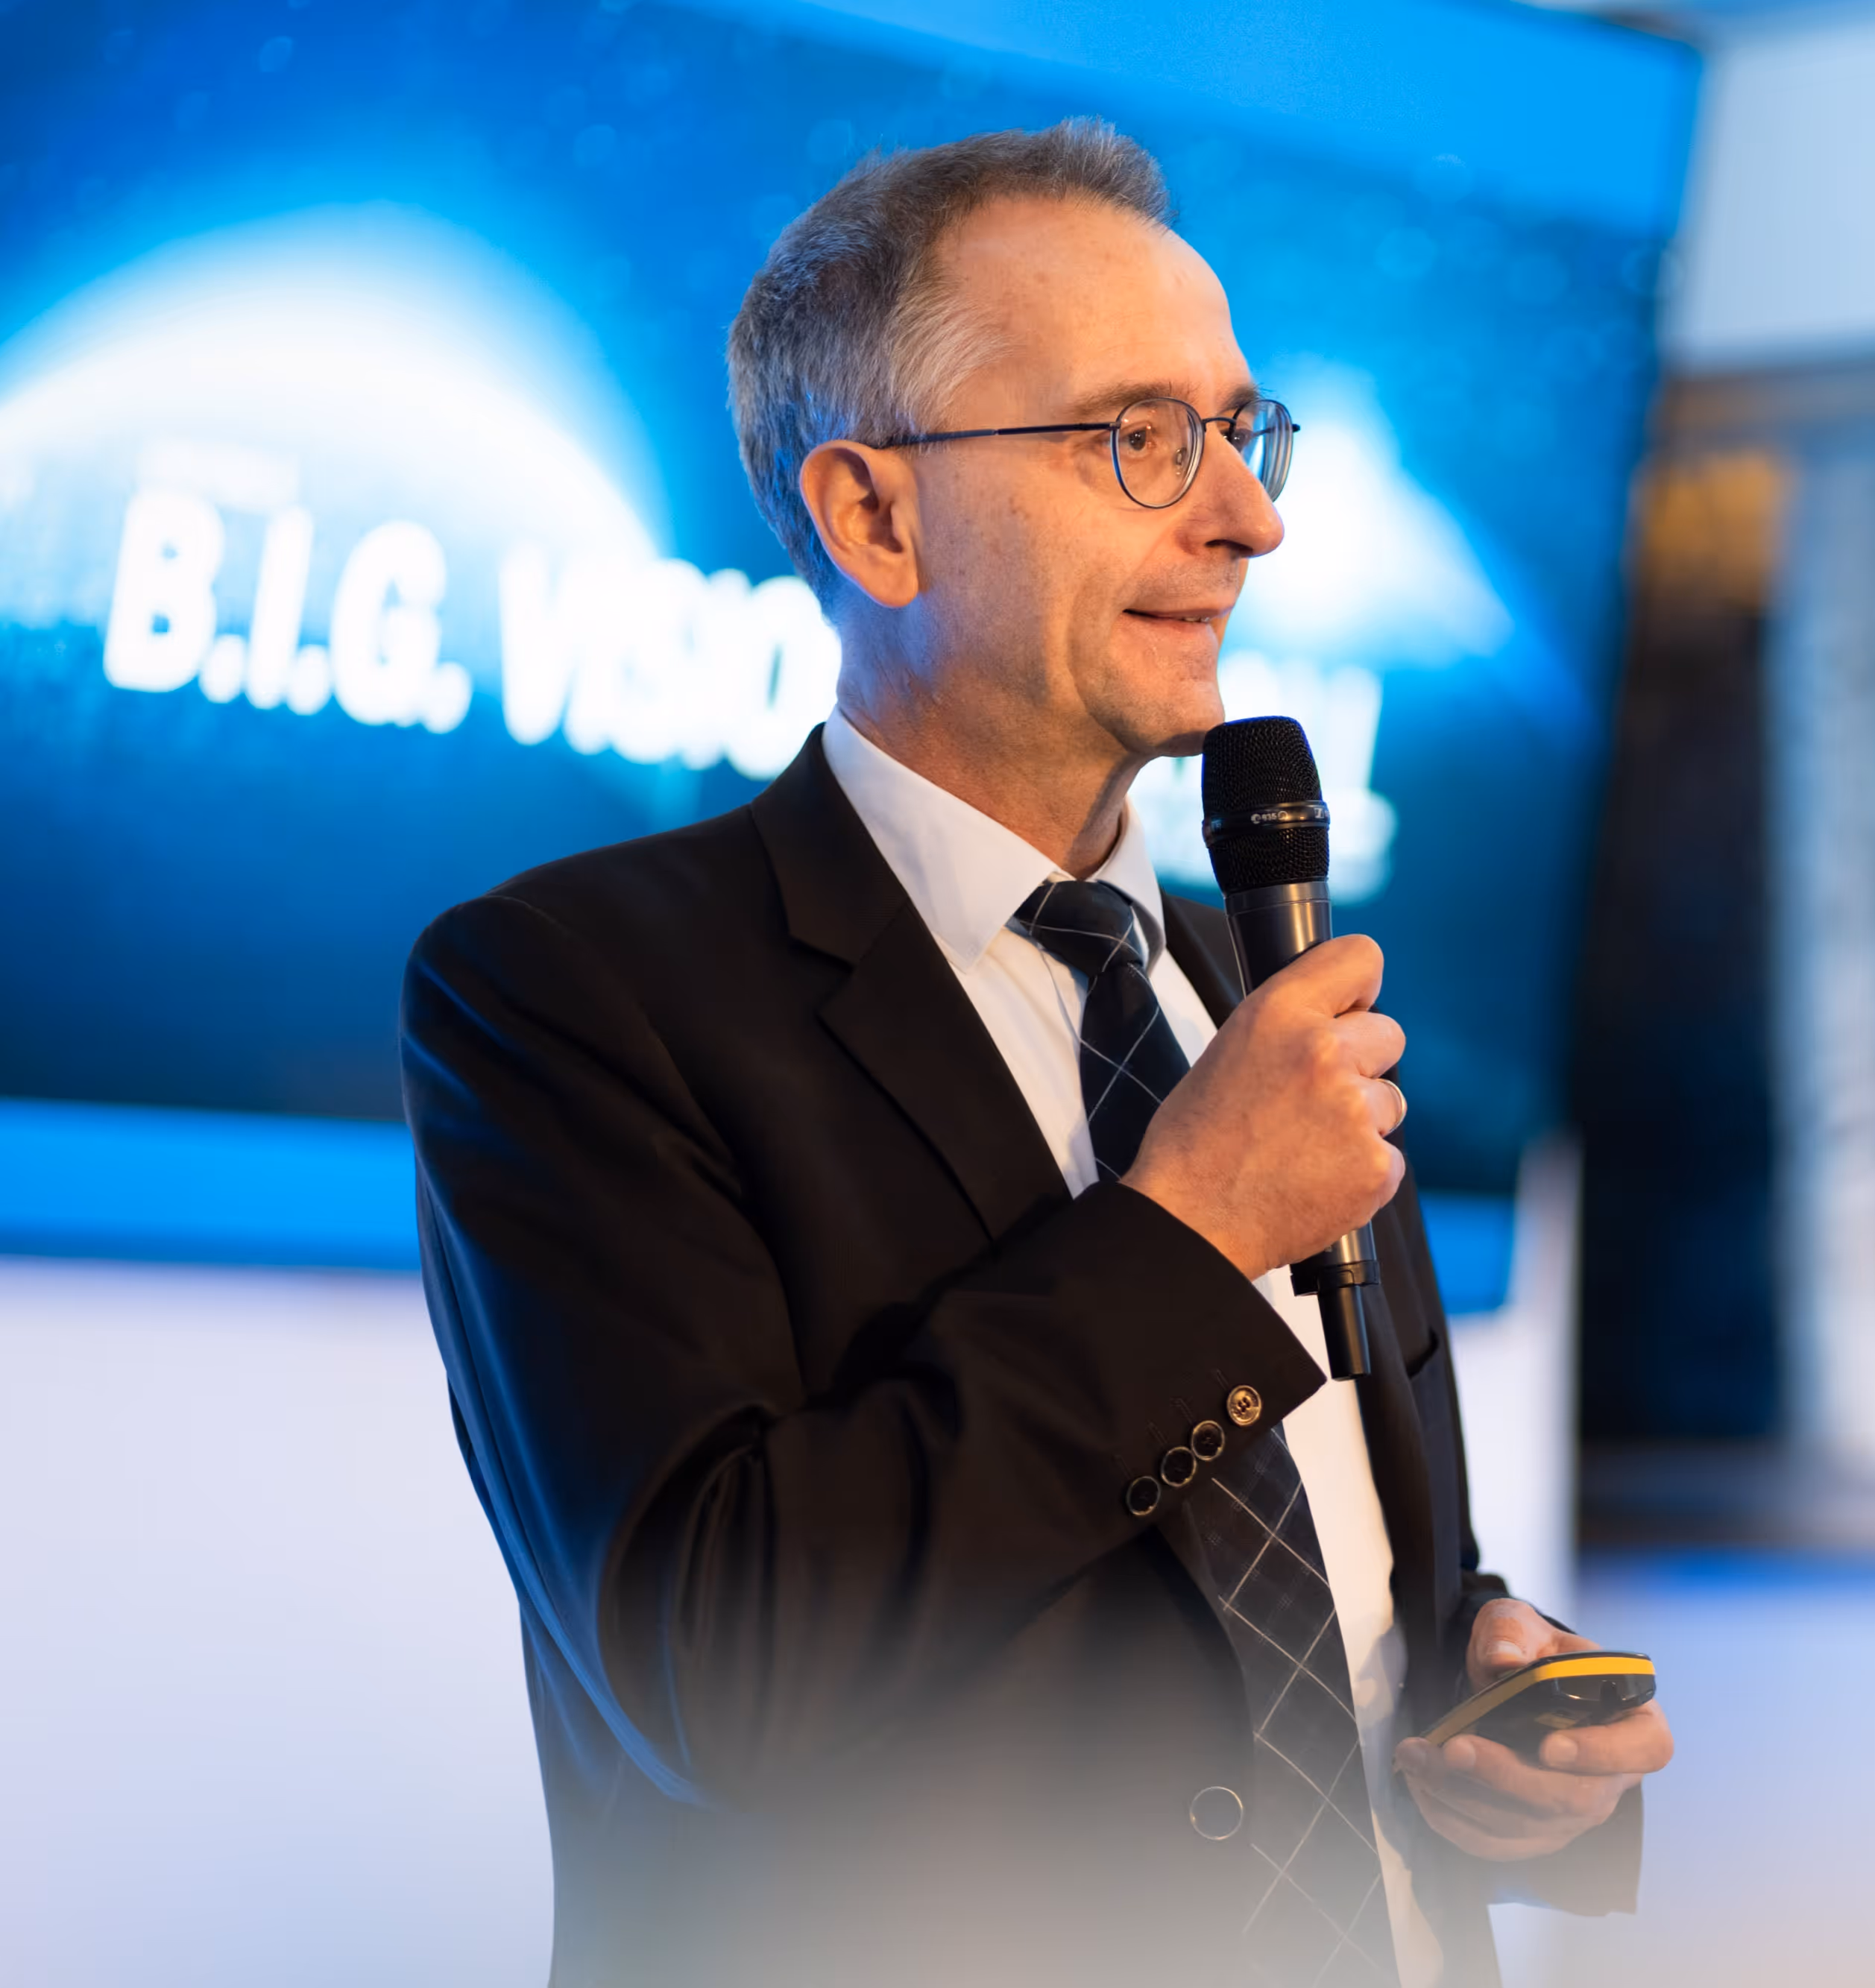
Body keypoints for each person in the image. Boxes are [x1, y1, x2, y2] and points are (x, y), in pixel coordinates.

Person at [400, 119, 1669, 1988]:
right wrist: (1185, 1233)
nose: (1246, 517)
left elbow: (1323, 1578)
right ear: (873, 517)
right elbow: (719, 1667)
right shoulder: (572, 992)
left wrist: (1494, 1714)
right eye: (1138, 439)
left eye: (1243, 432)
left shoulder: (1270, 987)